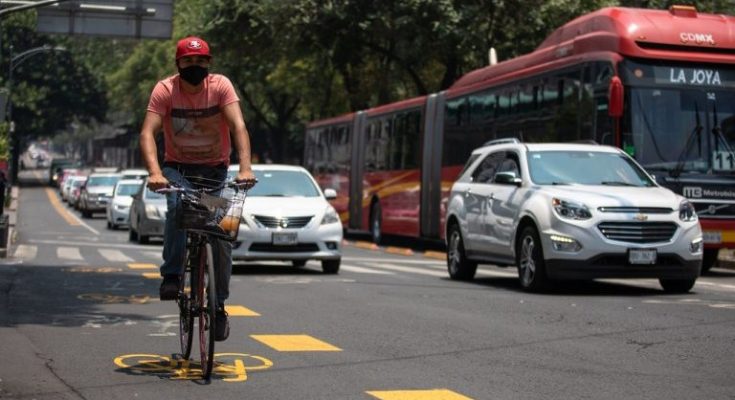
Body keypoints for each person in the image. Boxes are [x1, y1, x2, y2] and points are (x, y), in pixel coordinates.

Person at [140, 36, 257, 342]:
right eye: (189, 61)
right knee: (178, 208)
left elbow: (238, 127)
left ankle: (218, 306)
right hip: (178, 171)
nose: (195, 65)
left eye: (201, 61)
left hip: (215, 174)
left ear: (209, 63)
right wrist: (155, 173)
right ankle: (172, 274)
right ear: (178, 64)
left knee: (222, 234)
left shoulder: (220, 86)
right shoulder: (165, 90)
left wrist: (245, 168)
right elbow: (148, 133)